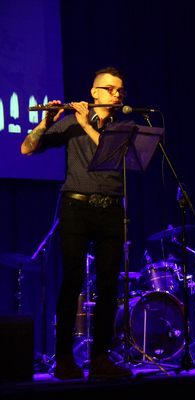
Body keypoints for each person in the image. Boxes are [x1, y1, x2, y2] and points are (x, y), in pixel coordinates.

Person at [21, 66, 133, 380]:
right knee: (72, 282)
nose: (117, 94)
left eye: (120, 90)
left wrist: (86, 125)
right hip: (76, 207)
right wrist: (47, 121)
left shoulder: (124, 126)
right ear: (94, 92)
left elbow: (114, 157)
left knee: (109, 286)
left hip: (111, 209)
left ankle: (100, 359)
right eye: (110, 89)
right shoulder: (71, 122)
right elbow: (26, 148)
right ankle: (64, 359)